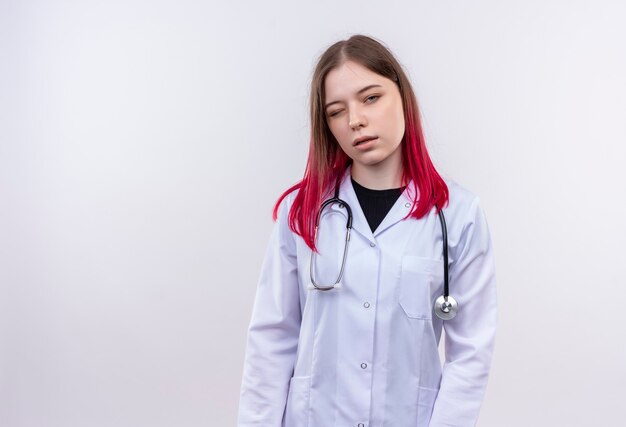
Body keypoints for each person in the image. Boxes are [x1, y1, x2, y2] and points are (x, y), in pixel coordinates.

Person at [237, 34, 497, 427]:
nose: (355, 120)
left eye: (371, 98)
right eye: (336, 111)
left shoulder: (458, 214)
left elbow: (471, 353)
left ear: (402, 97)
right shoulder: (302, 212)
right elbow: (272, 340)